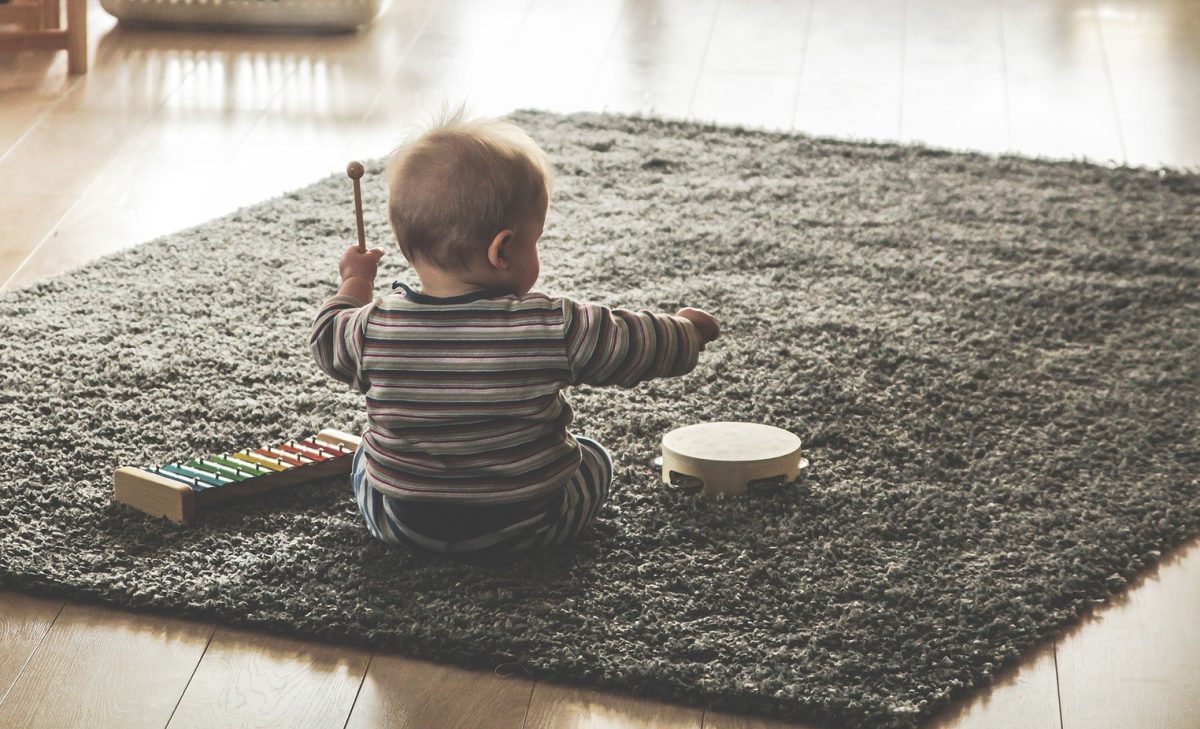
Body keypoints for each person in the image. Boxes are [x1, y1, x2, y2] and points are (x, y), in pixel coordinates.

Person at [310, 109, 720, 559]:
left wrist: (355, 282)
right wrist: (687, 332)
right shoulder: (551, 325)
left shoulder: (371, 329)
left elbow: (326, 337)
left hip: (404, 525)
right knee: (594, 456)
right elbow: (634, 342)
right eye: (535, 240)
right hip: (530, 526)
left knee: (363, 461)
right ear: (502, 249)